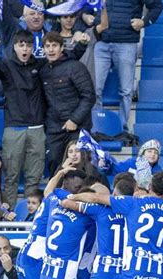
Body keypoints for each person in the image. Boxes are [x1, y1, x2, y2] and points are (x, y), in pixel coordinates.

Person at [0, 31, 46, 209]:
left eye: (28, 45)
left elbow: (63, 59)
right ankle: (9, 218)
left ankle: (31, 216)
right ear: (15, 47)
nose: (25, 49)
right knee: (11, 177)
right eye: (21, 45)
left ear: (33, 47)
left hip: (37, 126)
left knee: (34, 178)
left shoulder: (40, 64)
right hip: (14, 127)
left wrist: (80, 45)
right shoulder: (6, 65)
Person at [94, 0, 163, 132]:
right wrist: (87, 17)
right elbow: (84, 6)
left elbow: (157, 6)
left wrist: (143, 22)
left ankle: (120, 128)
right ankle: (97, 125)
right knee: (95, 88)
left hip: (126, 43)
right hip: (101, 41)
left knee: (126, 91)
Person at [41, 32, 96, 176]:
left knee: (80, 165)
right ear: (43, 49)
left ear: (61, 48)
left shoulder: (76, 67)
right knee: (54, 163)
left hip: (78, 126)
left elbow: (89, 96)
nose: (51, 50)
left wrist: (74, 119)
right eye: (47, 46)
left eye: (54, 46)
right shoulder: (44, 70)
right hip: (54, 127)